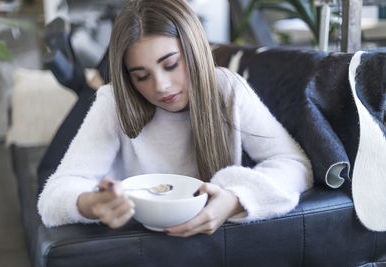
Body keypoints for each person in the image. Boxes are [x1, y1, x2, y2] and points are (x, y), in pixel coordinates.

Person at [38, 0, 313, 237]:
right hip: (140, 250)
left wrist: (235, 199)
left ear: (194, 51)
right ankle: (84, 82)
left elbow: (293, 164)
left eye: (171, 65)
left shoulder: (227, 88)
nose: (161, 86)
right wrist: (91, 203)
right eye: (141, 76)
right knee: (47, 166)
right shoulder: (114, 102)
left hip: (214, 249)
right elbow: (53, 195)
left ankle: (80, 80)